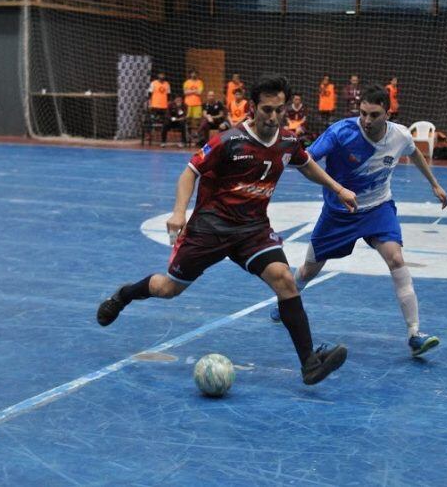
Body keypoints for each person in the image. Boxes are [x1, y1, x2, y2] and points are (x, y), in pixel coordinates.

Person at [97, 74, 357, 386]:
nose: (273, 117)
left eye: (279, 110)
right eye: (266, 110)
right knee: (168, 289)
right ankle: (124, 295)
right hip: (211, 228)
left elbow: (305, 163)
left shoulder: (287, 141)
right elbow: (189, 173)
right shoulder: (228, 141)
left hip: (253, 231)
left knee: (285, 280)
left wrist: (338, 188)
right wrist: (179, 212)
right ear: (252, 107)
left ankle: (309, 364)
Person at [269, 85, 447, 358]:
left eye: (374, 115)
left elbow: (413, 152)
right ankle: (286, 300)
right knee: (307, 271)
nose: (366, 120)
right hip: (339, 213)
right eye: (363, 113)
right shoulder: (341, 132)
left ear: (387, 113)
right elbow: (306, 159)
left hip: (378, 209)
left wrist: (434, 184)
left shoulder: (399, 134)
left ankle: (414, 334)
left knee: (396, 260)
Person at [183, 69, 204, 139]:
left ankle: (197, 134)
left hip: (197, 104)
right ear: (190, 74)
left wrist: (190, 91)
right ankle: (188, 135)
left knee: (198, 120)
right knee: (188, 120)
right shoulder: (186, 82)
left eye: (195, 73)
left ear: (197, 75)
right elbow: (185, 92)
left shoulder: (200, 82)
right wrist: (195, 91)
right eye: (192, 73)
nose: (194, 75)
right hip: (188, 104)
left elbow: (199, 93)